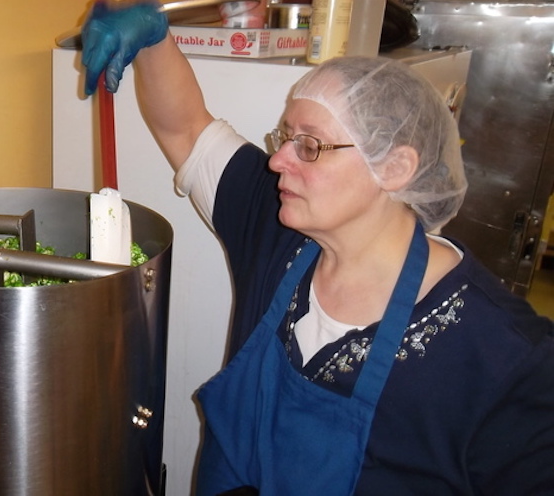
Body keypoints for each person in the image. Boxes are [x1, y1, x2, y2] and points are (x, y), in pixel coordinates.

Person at [79, 2, 554, 495]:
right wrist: (153, 37)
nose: (278, 160)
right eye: (285, 136)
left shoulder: (508, 358)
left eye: (310, 146)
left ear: (394, 168)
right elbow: (188, 129)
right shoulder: (278, 230)